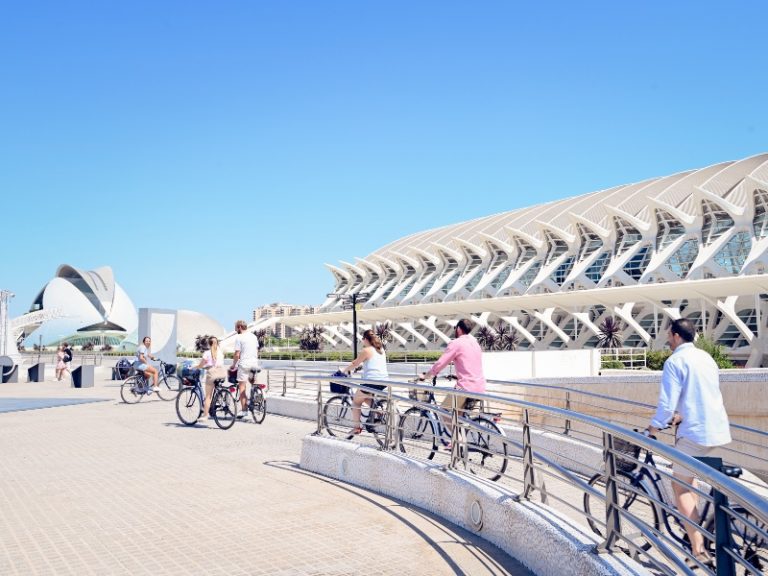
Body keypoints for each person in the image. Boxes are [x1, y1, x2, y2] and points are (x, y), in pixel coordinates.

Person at [645, 318, 731, 569]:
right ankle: (693, 530)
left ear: (675, 335)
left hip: (694, 434)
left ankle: (698, 550)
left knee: (680, 487)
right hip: (717, 430)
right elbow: (701, 394)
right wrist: (682, 414)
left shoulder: (675, 361)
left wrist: (654, 427)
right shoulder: (706, 357)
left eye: (668, 337)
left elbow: (667, 403)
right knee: (689, 480)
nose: (668, 342)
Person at [418, 318, 486, 447]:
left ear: (459, 329)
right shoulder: (475, 343)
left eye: (455, 328)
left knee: (444, 411)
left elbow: (441, 363)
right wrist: (457, 376)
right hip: (480, 387)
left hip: (466, 388)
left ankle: (459, 442)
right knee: (457, 416)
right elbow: (472, 364)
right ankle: (457, 444)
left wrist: (426, 375)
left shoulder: (456, 343)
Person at [342, 329, 388, 434]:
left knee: (356, 402)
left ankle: (357, 428)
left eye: (363, 339)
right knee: (366, 398)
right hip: (384, 381)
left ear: (366, 339)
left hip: (371, 382)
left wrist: (343, 370)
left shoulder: (366, 350)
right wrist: (362, 367)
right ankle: (379, 412)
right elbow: (374, 364)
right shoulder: (380, 349)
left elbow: (355, 363)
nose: (362, 341)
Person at [230, 320, 259, 418]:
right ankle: (258, 395)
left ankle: (244, 411)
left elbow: (237, 354)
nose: (235, 330)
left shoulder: (239, 337)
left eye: (235, 327)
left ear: (239, 327)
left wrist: (233, 365)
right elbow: (256, 350)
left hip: (244, 365)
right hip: (254, 364)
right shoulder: (254, 336)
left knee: (242, 387)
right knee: (253, 382)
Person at [195, 336, 226, 423]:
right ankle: (216, 401)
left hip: (212, 374)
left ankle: (205, 416)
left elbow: (201, 365)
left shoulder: (207, 353)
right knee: (216, 389)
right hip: (222, 373)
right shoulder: (220, 352)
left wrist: (194, 367)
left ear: (209, 344)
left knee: (208, 396)